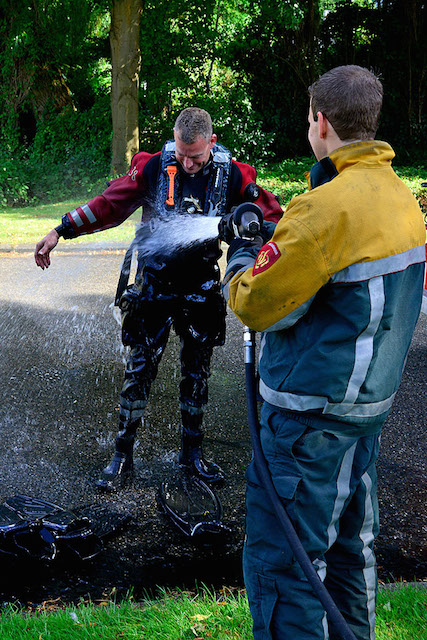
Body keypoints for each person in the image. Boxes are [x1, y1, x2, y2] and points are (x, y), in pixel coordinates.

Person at [222, 66, 426, 639]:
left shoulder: (322, 211)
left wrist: (242, 252)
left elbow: (259, 305)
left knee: (287, 572)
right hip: (362, 421)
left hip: (306, 430)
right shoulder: (400, 197)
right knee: (348, 561)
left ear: (322, 121)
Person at [35, 107, 282, 491]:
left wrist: (266, 234)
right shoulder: (152, 167)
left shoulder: (234, 174)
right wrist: (60, 229)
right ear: (174, 138)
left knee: (197, 375)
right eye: (182, 155)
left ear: (211, 144)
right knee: (139, 373)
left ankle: (193, 455)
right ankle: (122, 455)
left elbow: (273, 218)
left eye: (197, 157)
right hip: (153, 285)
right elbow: (109, 204)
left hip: (201, 286)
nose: (188, 164)